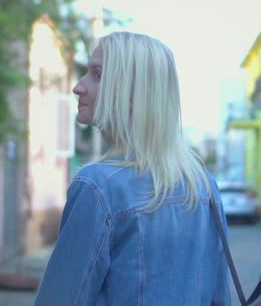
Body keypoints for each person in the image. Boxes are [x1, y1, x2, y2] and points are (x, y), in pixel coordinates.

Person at [33, 31, 231, 305]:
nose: (79, 87)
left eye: (97, 75)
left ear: (131, 93)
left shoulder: (97, 187)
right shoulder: (203, 185)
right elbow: (219, 297)